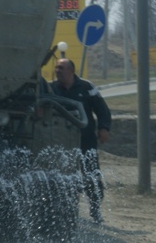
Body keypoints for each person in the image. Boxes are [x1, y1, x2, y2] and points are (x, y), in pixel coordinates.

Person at [47, 57, 112, 223]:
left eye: (61, 68)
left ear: (71, 70)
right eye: (57, 68)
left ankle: (95, 209)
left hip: (85, 139)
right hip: (60, 140)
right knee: (61, 176)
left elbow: (102, 109)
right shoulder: (51, 89)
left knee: (91, 175)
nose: (58, 71)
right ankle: (63, 210)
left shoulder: (87, 87)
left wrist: (104, 128)